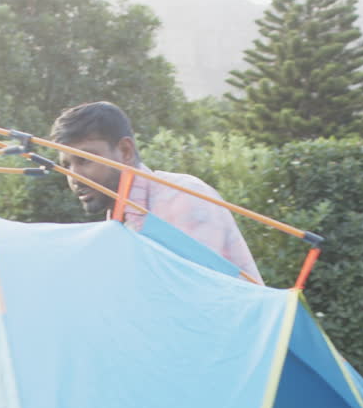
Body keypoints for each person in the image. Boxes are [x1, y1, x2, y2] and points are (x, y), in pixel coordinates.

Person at [49, 101, 262, 284]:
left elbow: (198, 291)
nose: (74, 177)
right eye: (66, 165)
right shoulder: (120, 219)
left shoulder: (181, 197)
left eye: (84, 160)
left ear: (125, 151)